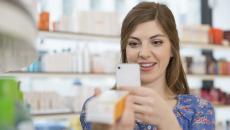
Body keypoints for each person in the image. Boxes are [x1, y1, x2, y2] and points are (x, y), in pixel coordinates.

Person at [80, 1, 215, 130]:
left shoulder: (199, 110)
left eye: (156, 42)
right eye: (134, 43)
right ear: (124, 50)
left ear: (173, 49)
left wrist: (167, 122)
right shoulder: (100, 107)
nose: (144, 53)